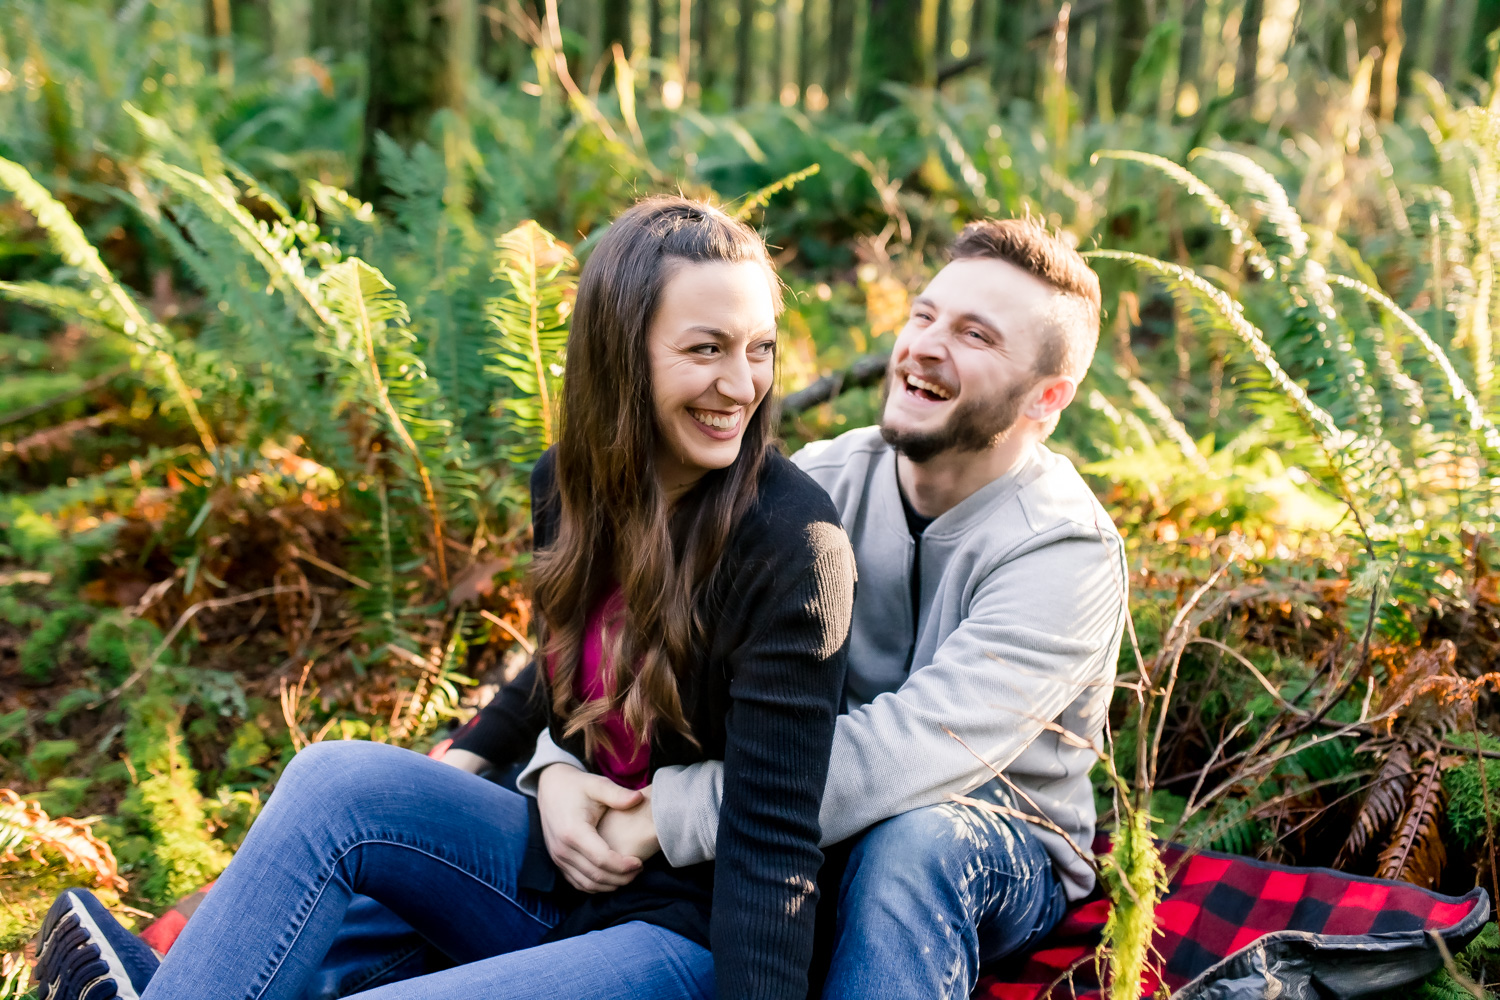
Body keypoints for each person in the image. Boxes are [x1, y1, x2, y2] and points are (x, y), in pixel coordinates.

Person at [32, 196, 855, 1000]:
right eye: (706, 349)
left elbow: (773, 843)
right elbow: (575, 661)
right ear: (621, 353)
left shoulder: (793, 547)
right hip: (563, 873)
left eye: (760, 349)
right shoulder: (569, 488)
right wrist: (473, 757)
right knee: (334, 782)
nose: (741, 385)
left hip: (689, 937)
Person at [529, 217, 1129, 999]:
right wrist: (548, 763)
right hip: (796, 810)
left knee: (913, 843)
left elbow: (914, 750)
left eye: (976, 335)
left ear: (1047, 397)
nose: (925, 346)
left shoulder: (1065, 550)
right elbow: (624, 625)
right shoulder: (829, 480)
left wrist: (667, 814)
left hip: (995, 840)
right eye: (924, 316)